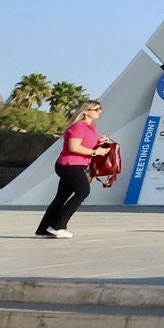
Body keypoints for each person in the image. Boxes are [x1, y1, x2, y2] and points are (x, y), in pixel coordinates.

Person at [36, 99, 111, 239]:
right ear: (86, 111)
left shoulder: (91, 127)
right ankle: (59, 226)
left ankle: (43, 229)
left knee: (61, 197)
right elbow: (74, 147)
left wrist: (100, 142)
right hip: (69, 165)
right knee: (83, 191)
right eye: (96, 109)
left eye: (100, 108)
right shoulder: (78, 127)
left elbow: (86, 143)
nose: (100, 111)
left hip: (76, 165)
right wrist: (96, 152)